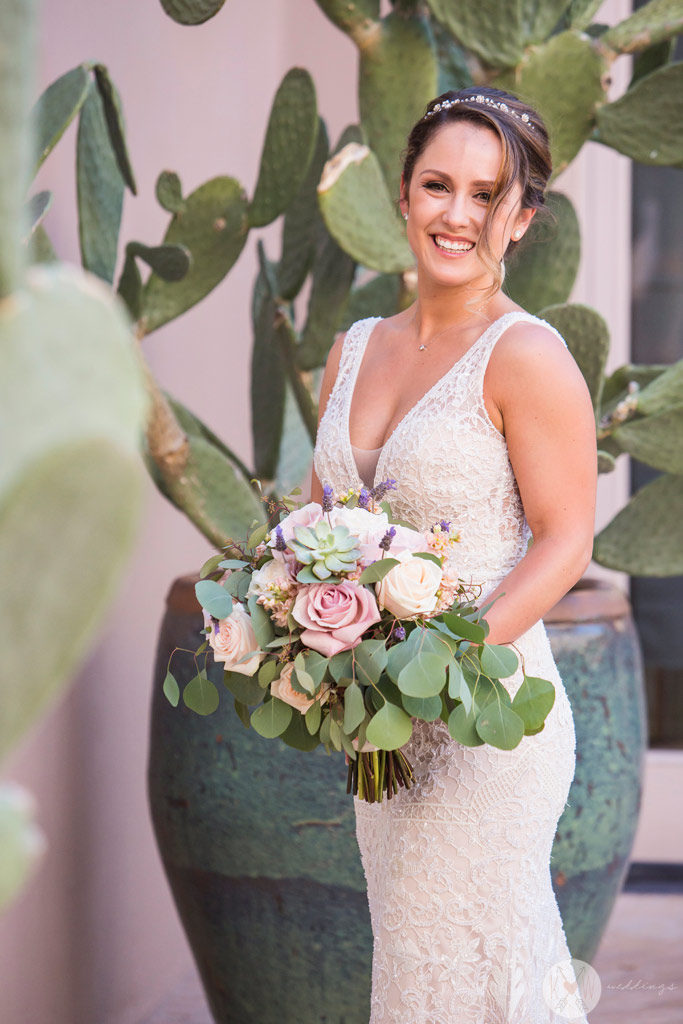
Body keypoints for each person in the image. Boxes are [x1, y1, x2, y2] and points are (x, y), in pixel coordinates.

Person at [309, 87, 597, 1024]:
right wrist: (308, 637)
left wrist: (442, 666)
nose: (457, 215)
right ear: (402, 195)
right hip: (377, 734)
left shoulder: (527, 355)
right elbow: (322, 535)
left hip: (484, 721)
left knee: (463, 965)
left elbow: (565, 540)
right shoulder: (350, 351)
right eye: (438, 186)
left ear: (520, 218)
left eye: (486, 195)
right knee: (413, 961)